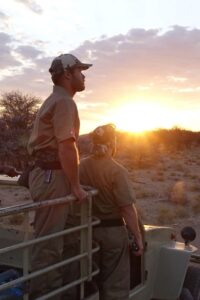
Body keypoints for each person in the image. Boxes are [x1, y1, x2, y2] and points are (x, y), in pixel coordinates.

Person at [27, 53, 92, 299]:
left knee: (54, 238)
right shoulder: (65, 102)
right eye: (80, 70)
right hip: (52, 176)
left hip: (47, 174)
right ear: (67, 74)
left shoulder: (54, 99)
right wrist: (75, 186)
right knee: (49, 243)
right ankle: (43, 293)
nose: (83, 75)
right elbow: (66, 145)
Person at [79, 124, 143, 300]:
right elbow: (127, 208)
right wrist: (137, 236)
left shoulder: (80, 166)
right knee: (115, 284)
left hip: (87, 231)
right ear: (112, 143)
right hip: (112, 232)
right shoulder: (117, 170)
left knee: (89, 279)